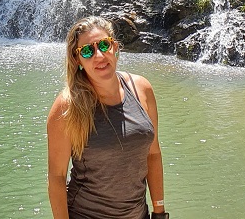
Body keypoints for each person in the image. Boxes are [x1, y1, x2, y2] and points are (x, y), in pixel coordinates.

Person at [47, 15, 168, 219]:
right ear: (77, 60)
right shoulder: (67, 107)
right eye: (87, 50)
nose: (99, 55)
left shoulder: (142, 89)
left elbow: (153, 154)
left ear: (115, 47)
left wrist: (160, 212)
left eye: (104, 45)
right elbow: (57, 177)